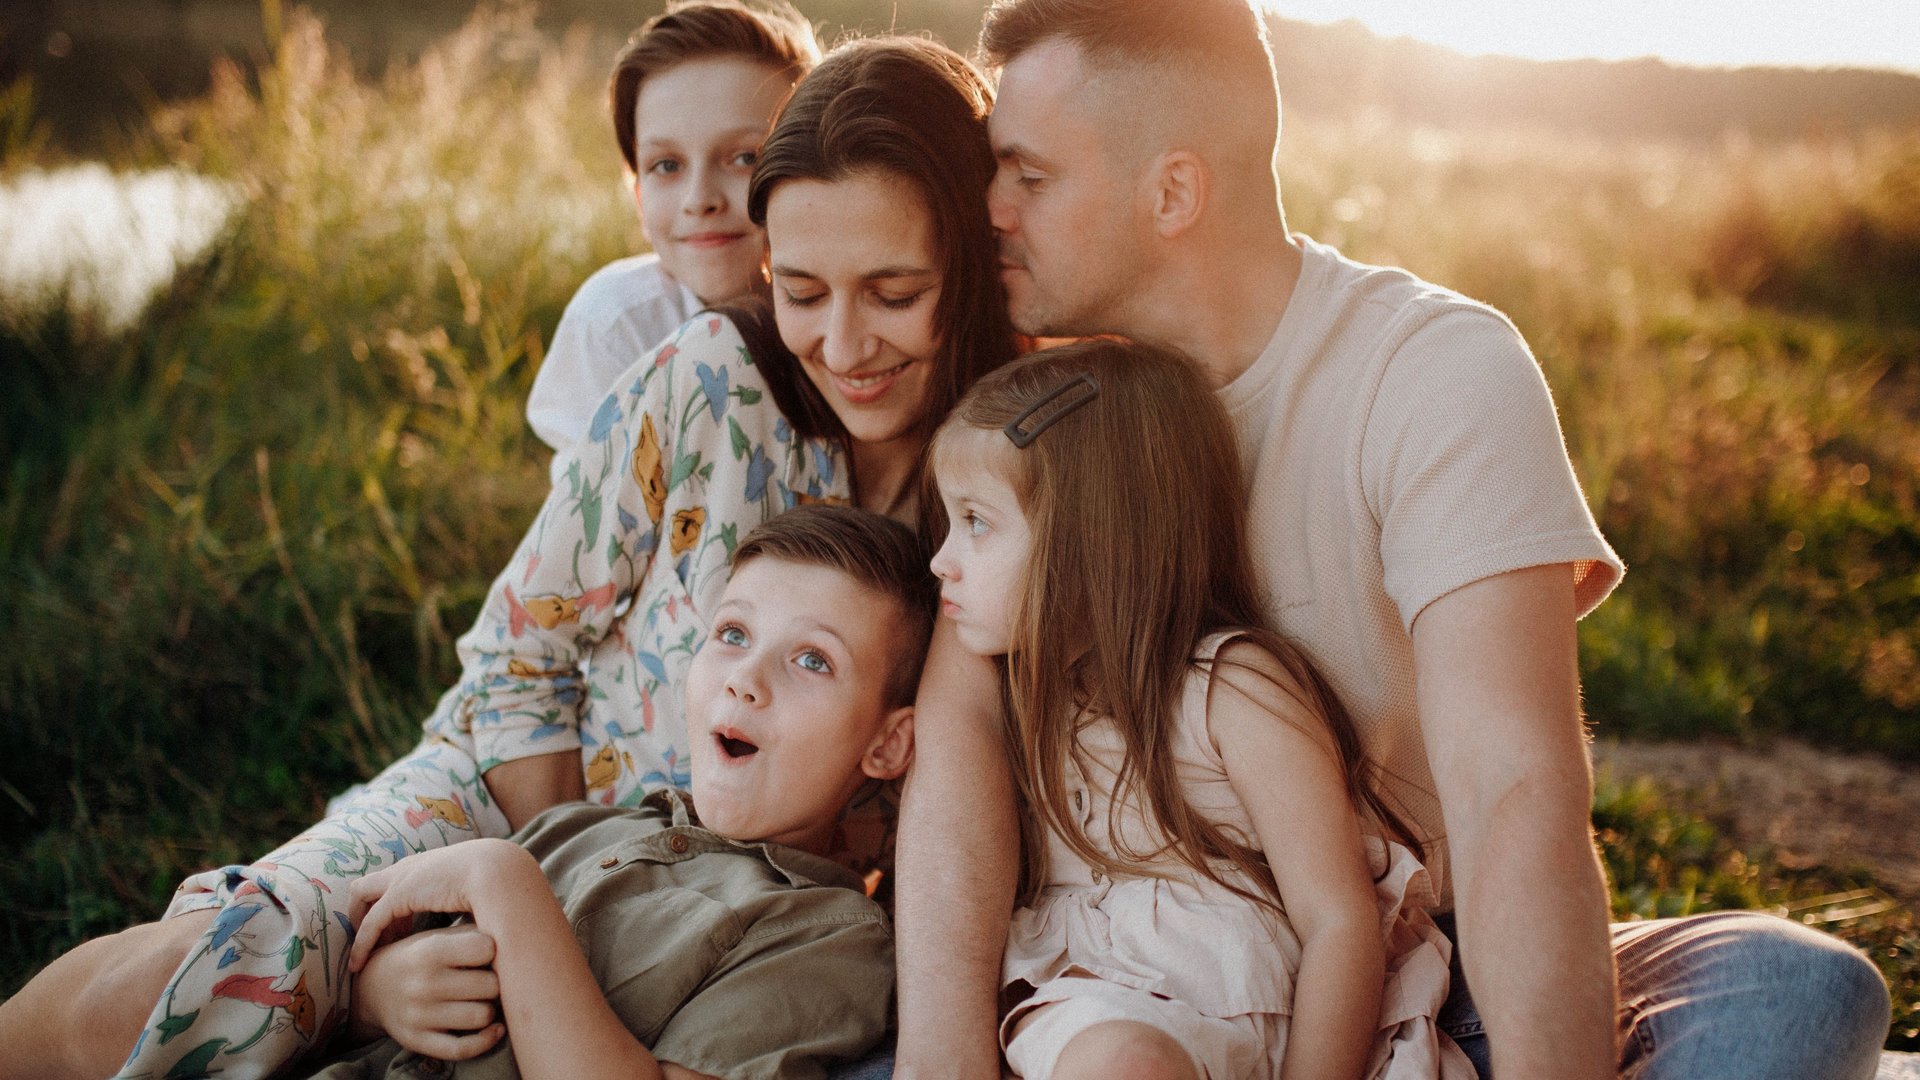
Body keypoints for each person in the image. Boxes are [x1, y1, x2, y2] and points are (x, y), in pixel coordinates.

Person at [889, 2, 1893, 1079]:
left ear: (1172, 190)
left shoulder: (1430, 375)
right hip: (1123, 995)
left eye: (1029, 176)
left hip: (1411, 977)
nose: (989, 209)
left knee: (1797, 991)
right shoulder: (1053, 409)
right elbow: (960, 736)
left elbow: (1514, 785)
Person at [0, 34, 1015, 1080]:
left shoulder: (1010, 477)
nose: (844, 345)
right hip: (516, 817)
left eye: (894, 294)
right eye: (803, 292)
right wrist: (541, 895)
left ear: (973, 265)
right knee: (157, 990)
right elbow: (519, 659)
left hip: (727, 927)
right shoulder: (708, 382)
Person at [925, 342, 1474, 1080]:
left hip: (1271, 1027)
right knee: (1123, 1061)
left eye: (975, 523)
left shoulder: (1231, 689)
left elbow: (1338, 919)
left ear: (1094, 540)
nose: (942, 560)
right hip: (1101, 1024)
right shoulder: (1023, 697)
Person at [309, 505, 929, 1080]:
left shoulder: (832, 938)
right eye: (734, 633)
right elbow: (378, 985)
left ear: (887, 744)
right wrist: (377, 998)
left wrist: (504, 883)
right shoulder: (581, 830)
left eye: (813, 660)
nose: (745, 679)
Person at [526, 0, 818, 470]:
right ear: (640, 197)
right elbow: (591, 516)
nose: (699, 199)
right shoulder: (616, 324)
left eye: (745, 157)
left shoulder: (850, 320)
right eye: (667, 165)